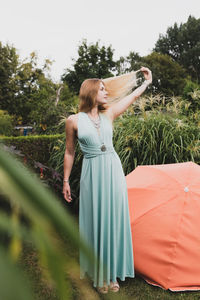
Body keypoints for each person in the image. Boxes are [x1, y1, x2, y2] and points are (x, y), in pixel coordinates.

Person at [63, 67, 152, 294]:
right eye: (101, 89)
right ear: (90, 92)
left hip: (113, 170)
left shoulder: (109, 113)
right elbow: (70, 152)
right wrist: (65, 181)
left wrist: (145, 83)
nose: (105, 92)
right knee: (96, 221)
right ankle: (99, 274)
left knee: (113, 219)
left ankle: (112, 274)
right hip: (92, 173)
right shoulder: (73, 121)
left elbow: (132, 98)